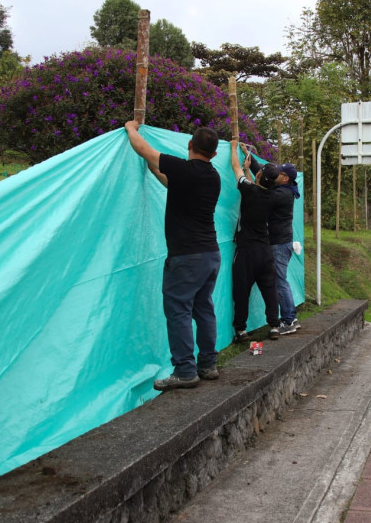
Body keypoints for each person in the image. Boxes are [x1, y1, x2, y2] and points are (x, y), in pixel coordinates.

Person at [125, 120, 221, 391]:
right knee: (203, 308)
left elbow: (144, 149)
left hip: (186, 256)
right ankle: (207, 365)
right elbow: (173, 184)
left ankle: (185, 371)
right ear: (214, 154)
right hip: (210, 255)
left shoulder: (185, 168)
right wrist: (154, 170)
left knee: (178, 310)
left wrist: (131, 128)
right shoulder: (212, 176)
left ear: (189, 145)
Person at [229, 140, 282, 343]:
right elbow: (256, 187)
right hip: (265, 251)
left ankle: (241, 331)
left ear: (259, 175)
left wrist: (234, 148)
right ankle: (274, 326)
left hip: (247, 251)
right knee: (269, 288)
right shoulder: (273, 197)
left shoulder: (249, 191)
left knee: (241, 291)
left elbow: (235, 168)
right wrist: (248, 164)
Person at [249, 156, 300, 335]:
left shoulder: (281, 194)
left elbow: (260, 191)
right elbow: (266, 171)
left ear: (285, 178)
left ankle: (289, 320)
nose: (276, 173)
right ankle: (290, 317)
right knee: (280, 280)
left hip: (279, 244)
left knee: (280, 281)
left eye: (280, 172)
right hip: (282, 242)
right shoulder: (284, 188)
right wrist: (250, 158)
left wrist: (247, 176)